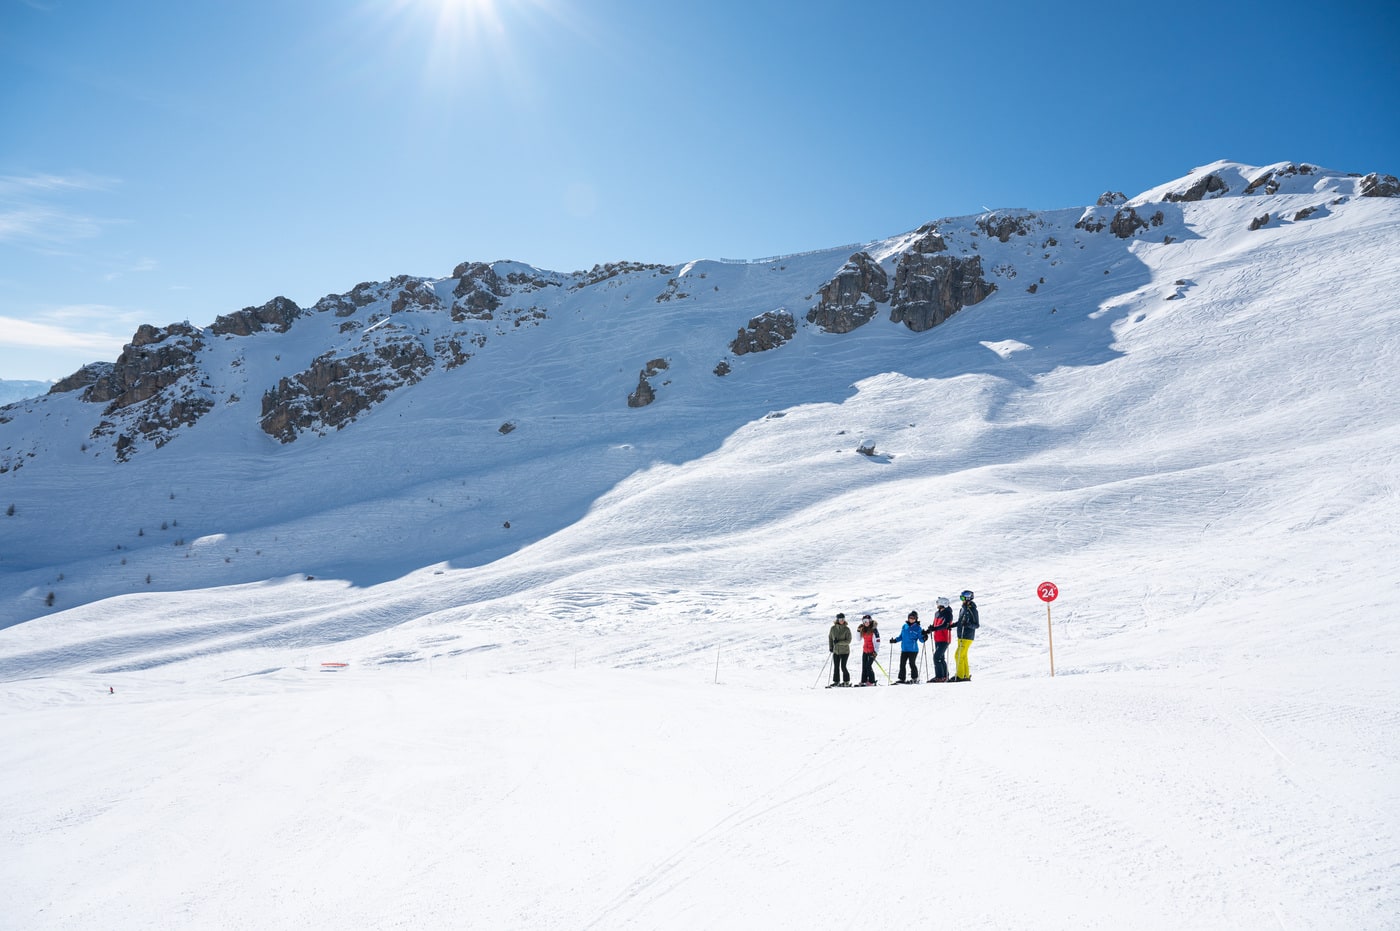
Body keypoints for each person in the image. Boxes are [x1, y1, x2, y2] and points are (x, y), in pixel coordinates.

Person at [951, 590, 979, 682]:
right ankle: (965, 675)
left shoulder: (973, 609)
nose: (961, 600)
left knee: (957, 655)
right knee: (963, 656)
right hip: (961, 636)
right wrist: (952, 625)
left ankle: (960, 676)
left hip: (967, 636)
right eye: (960, 598)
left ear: (968, 598)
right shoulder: (962, 608)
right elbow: (960, 622)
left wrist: (967, 624)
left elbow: (976, 625)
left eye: (962, 598)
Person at [893, 611, 927, 683]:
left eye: (913, 618)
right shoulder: (904, 626)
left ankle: (914, 678)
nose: (911, 619)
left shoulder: (918, 628)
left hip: (913, 650)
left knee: (912, 663)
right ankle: (902, 679)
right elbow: (901, 636)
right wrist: (895, 640)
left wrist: (924, 637)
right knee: (902, 664)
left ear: (916, 619)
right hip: (904, 649)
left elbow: (921, 640)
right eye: (910, 618)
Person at [927, 597, 954, 682]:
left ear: (943, 603)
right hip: (937, 638)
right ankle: (945, 676)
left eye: (938, 603)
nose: (937, 604)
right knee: (941, 658)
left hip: (945, 638)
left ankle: (939, 677)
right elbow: (934, 625)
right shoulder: (937, 613)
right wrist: (928, 630)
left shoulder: (948, 613)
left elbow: (945, 625)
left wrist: (935, 629)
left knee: (937, 657)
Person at [828, 613, 852, 686]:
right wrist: (831, 647)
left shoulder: (846, 629)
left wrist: (839, 642)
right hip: (836, 651)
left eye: (843, 619)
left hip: (845, 651)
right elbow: (830, 638)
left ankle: (846, 681)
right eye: (840, 619)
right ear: (837, 620)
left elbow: (848, 641)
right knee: (836, 667)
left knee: (843, 666)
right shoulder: (833, 628)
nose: (842, 621)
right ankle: (836, 681)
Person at [856, 614, 881, 685]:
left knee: (868, 666)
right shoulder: (863, 629)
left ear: (870, 621)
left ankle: (872, 681)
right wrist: (858, 630)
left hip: (872, 651)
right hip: (865, 651)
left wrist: (875, 652)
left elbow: (878, 642)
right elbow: (858, 639)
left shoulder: (874, 630)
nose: (865, 622)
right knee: (864, 666)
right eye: (864, 621)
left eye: (867, 621)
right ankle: (863, 681)